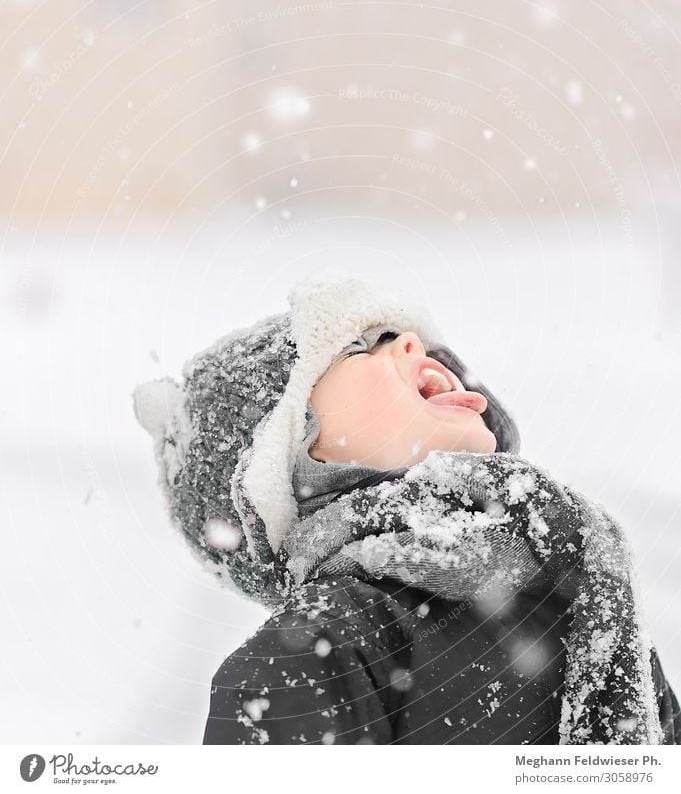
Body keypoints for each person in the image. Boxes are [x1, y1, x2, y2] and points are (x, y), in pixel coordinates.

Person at [133, 273, 680, 745]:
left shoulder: (575, 583)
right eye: (361, 346)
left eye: (405, 335)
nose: (415, 344)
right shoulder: (324, 646)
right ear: (294, 455)